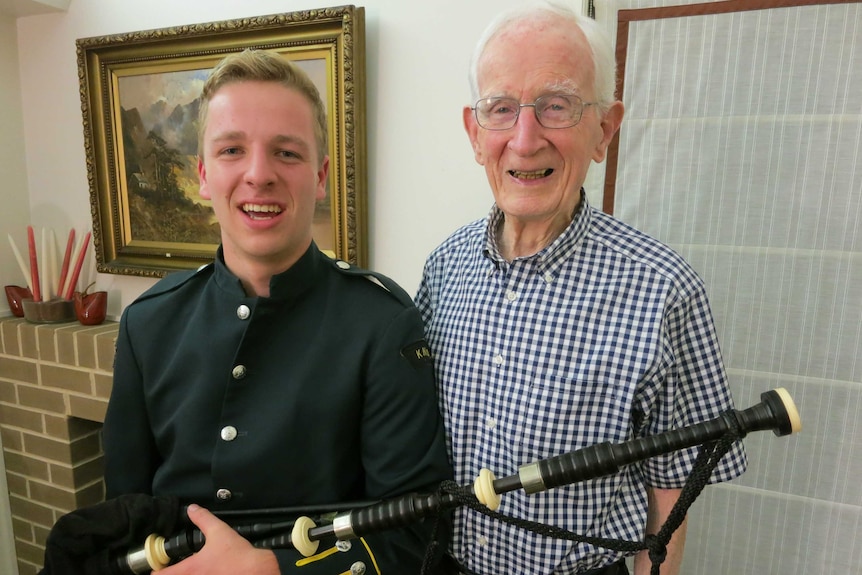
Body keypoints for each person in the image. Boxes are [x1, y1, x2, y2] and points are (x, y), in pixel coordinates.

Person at [415, 4, 747, 575]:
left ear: (605, 129)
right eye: (501, 109)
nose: (525, 139)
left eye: (557, 106)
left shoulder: (665, 290)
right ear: (475, 133)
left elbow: (672, 501)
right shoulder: (443, 268)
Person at [102, 49, 452, 575]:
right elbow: (122, 516)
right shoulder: (148, 322)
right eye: (231, 150)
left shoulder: (381, 324)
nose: (259, 174)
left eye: (287, 153)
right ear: (202, 174)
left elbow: (410, 532)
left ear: (321, 175)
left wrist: (270, 569)